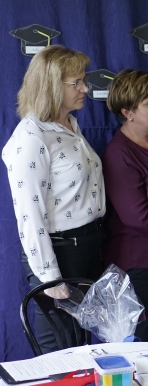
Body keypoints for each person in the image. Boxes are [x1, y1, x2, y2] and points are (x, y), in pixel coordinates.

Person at [2, 46, 105, 354]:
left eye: (84, 80)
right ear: (50, 86)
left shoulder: (69, 124)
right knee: (60, 351)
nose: (85, 89)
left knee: (82, 347)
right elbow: (29, 215)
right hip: (60, 253)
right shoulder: (31, 137)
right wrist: (50, 278)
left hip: (86, 247)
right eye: (76, 83)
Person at [102, 69, 148, 342]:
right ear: (127, 112)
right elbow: (138, 218)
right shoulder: (119, 153)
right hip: (140, 263)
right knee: (147, 342)